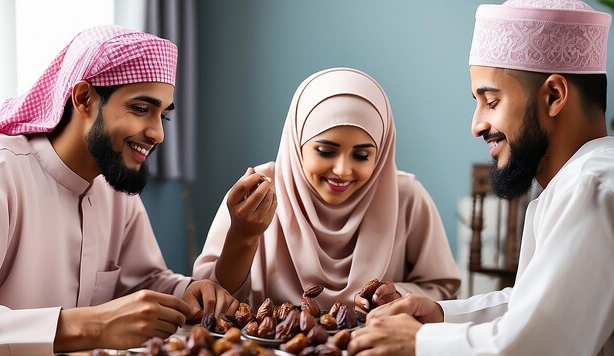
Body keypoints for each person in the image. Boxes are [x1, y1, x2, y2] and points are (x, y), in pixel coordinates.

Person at [348, 1, 614, 356]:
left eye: (490, 101)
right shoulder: (581, 180)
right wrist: (439, 315)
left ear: (555, 95)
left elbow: (535, 349)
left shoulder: (593, 186)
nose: (477, 124)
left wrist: (418, 344)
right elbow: (543, 306)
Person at [0, 25, 239, 356]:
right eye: (140, 109)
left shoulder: (115, 185)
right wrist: (90, 326)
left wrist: (187, 292)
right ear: (84, 99)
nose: (158, 133)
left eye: (163, 114)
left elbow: (145, 281)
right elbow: (104, 322)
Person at [192, 67, 461, 310]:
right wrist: (244, 235)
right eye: (325, 150)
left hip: (373, 355)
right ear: (297, 143)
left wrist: (397, 296)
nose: (343, 170)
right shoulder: (259, 194)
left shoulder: (406, 198)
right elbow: (212, 295)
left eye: (362, 156)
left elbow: (444, 292)